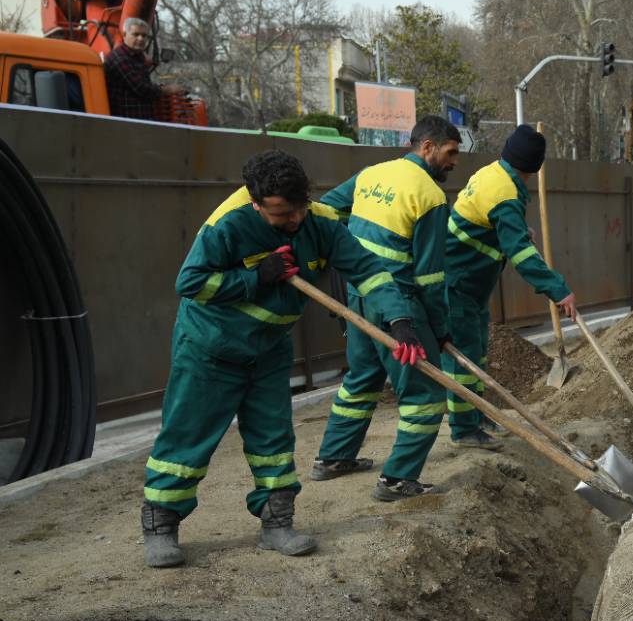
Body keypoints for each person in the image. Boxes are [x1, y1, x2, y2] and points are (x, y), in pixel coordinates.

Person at [140, 150, 423, 569]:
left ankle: (276, 523)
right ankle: (161, 525)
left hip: (270, 349)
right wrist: (255, 277)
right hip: (210, 349)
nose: (293, 221)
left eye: (298, 209)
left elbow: (369, 270)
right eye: (280, 215)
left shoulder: (321, 222)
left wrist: (399, 319)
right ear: (256, 204)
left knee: (273, 439)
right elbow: (191, 282)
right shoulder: (228, 223)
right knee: (187, 436)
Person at [312, 115, 461, 500]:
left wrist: (348, 251)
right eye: (450, 152)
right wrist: (439, 329)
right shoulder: (430, 197)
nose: (454, 162)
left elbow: (325, 210)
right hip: (400, 308)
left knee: (362, 378)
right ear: (427, 147)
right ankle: (397, 479)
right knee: (425, 396)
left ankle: (333, 457)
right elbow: (430, 278)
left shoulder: (372, 174)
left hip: (359, 296)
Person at [442, 125, 578, 447]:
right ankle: (464, 430)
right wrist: (558, 290)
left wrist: (514, 230)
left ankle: (476, 414)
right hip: (458, 282)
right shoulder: (505, 193)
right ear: (533, 167)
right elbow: (522, 256)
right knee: (464, 359)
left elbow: (485, 221)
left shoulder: (492, 173)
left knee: (477, 353)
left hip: (471, 284)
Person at [102, 17, 183, 121]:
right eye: (136, 34)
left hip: (141, 119)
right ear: (125, 35)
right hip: (127, 121)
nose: (141, 39)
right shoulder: (119, 58)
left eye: (144, 35)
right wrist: (168, 89)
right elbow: (141, 88)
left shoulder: (137, 57)